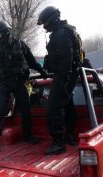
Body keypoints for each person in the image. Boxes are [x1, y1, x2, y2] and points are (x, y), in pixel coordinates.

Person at [0, 20, 48, 157]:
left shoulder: (20, 44)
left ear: (6, 32)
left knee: (25, 110)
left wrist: (42, 72)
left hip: (19, 82)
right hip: (3, 84)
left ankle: (28, 135)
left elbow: (31, 61)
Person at [37, 6, 82, 155]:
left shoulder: (62, 33)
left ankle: (58, 143)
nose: (44, 26)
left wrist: (62, 82)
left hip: (64, 75)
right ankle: (69, 136)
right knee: (67, 104)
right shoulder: (63, 31)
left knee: (53, 107)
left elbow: (65, 59)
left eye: (45, 23)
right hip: (68, 74)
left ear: (52, 20)